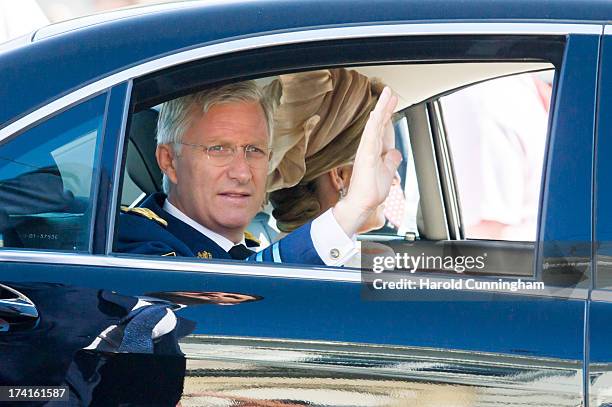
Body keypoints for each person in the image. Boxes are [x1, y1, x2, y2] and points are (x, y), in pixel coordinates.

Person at [117, 80, 401, 267]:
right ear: (169, 161)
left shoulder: (250, 248)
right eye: (218, 149)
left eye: (254, 150)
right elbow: (217, 309)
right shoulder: (135, 241)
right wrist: (351, 210)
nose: (242, 172)